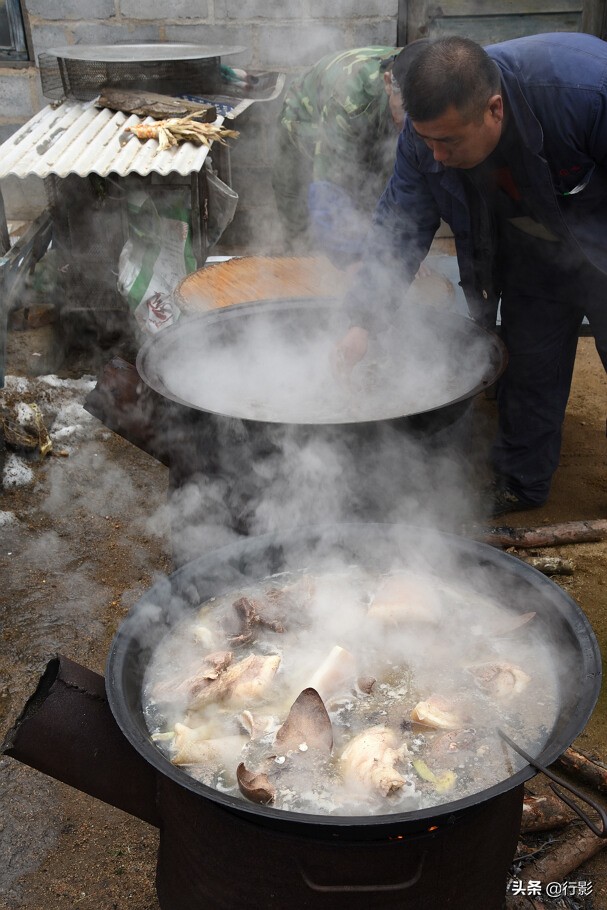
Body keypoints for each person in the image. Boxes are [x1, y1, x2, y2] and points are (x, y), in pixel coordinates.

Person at [335, 32, 607, 516]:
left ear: (494, 110)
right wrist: (362, 322)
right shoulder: (425, 138)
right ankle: (522, 483)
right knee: (530, 361)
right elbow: (398, 231)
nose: (435, 154)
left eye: (449, 141)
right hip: (533, 246)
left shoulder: (584, 92)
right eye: (426, 140)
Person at [271, 44, 429, 265]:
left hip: (365, 120)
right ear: (388, 84)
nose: (412, 128)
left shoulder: (431, 73)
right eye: (406, 118)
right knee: (303, 240)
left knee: (375, 200)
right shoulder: (352, 102)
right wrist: (352, 262)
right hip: (305, 118)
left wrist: (403, 254)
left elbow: (408, 188)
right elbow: (329, 190)